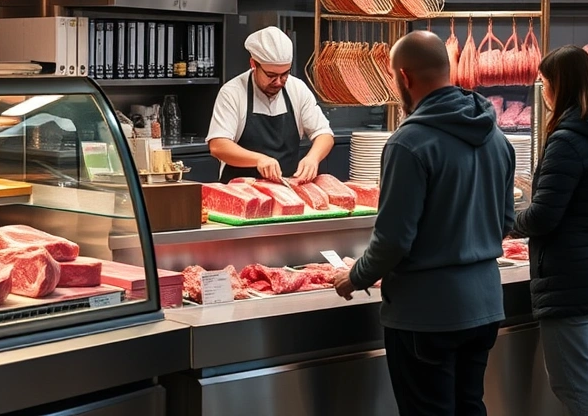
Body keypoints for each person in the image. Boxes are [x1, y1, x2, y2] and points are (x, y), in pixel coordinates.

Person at [334, 30, 515, 416]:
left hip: (426, 314)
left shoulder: (409, 142)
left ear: (404, 77)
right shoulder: (496, 136)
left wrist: (356, 276)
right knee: (470, 407)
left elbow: (394, 239)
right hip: (484, 305)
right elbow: (505, 222)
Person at [513, 45, 588, 416]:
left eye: (545, 82)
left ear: (561, 86)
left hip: (571, 279)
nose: (543, 91)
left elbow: (543, 219)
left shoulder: (567, 140)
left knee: (574, 385)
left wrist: (505, 221)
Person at [207, 26, 334, 183]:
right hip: (241, 191)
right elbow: (218, 146)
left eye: (285, 74)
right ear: (253, 64)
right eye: (271, 75)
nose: (279, 82)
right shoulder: (233, 92)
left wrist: (313, 158)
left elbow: (324, 133)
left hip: (287, 190)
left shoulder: (297, 88)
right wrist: (259, 159)